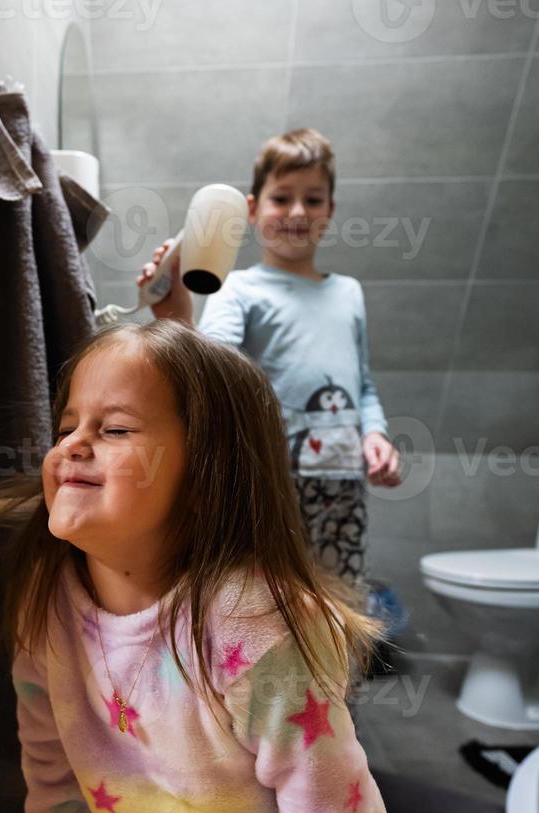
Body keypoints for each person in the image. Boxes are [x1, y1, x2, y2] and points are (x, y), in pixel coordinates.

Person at [0, 319, 389, 813]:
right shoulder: (48, 600)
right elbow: (45, 736)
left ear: (206, 476)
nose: (74, 445)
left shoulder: (255, 628)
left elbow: (332, 802)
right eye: (66, 428)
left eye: (113, 430)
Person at [138, 128, 403, 589]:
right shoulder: (238, 288)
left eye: (314, 200)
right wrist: (176, 308)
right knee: (268, 603)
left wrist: (375, 434)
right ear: (253, 210)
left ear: (331, 211)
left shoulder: (349, 293)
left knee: (341, 607)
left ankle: (335, 663)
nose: (298, 212)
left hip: (342, 483)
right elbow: (210, 367)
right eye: (282, 198)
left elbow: (362, 385)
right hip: (269, 480)